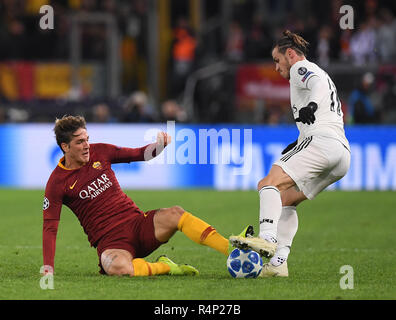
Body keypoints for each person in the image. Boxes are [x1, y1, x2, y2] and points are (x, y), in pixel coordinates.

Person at [42, 115, 239, 277]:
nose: (86, 145)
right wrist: (48, 268)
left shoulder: (100, 151)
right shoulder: (57, 183)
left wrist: (159, 146)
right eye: (79, 142)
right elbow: (50, 228)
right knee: (120, 269)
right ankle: (167, 267)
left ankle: (231, 251)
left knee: (176, 213)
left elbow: (139, 154)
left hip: (138, 224)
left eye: (87, 139)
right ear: (65, 147)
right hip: (111, 243)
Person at [230, 30, 351, 277]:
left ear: (290, 54)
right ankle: (278, 264)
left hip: (321, 143)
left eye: (277, 60)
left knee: (267, 184)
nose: (276, 67)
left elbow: (315, 88)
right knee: (285, 200)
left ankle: (266, 238)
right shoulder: (320, 72)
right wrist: (298, 140)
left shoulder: (300, 68)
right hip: (341, 154)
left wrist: (311, 106)